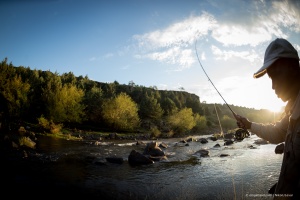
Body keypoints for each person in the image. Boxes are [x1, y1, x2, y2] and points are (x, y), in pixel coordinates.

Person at [236, 38, 300, 199]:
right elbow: (277, 132)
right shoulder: (293, 110)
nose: (272, 86)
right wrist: (249, 125)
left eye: (274, 76)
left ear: (291, 67)